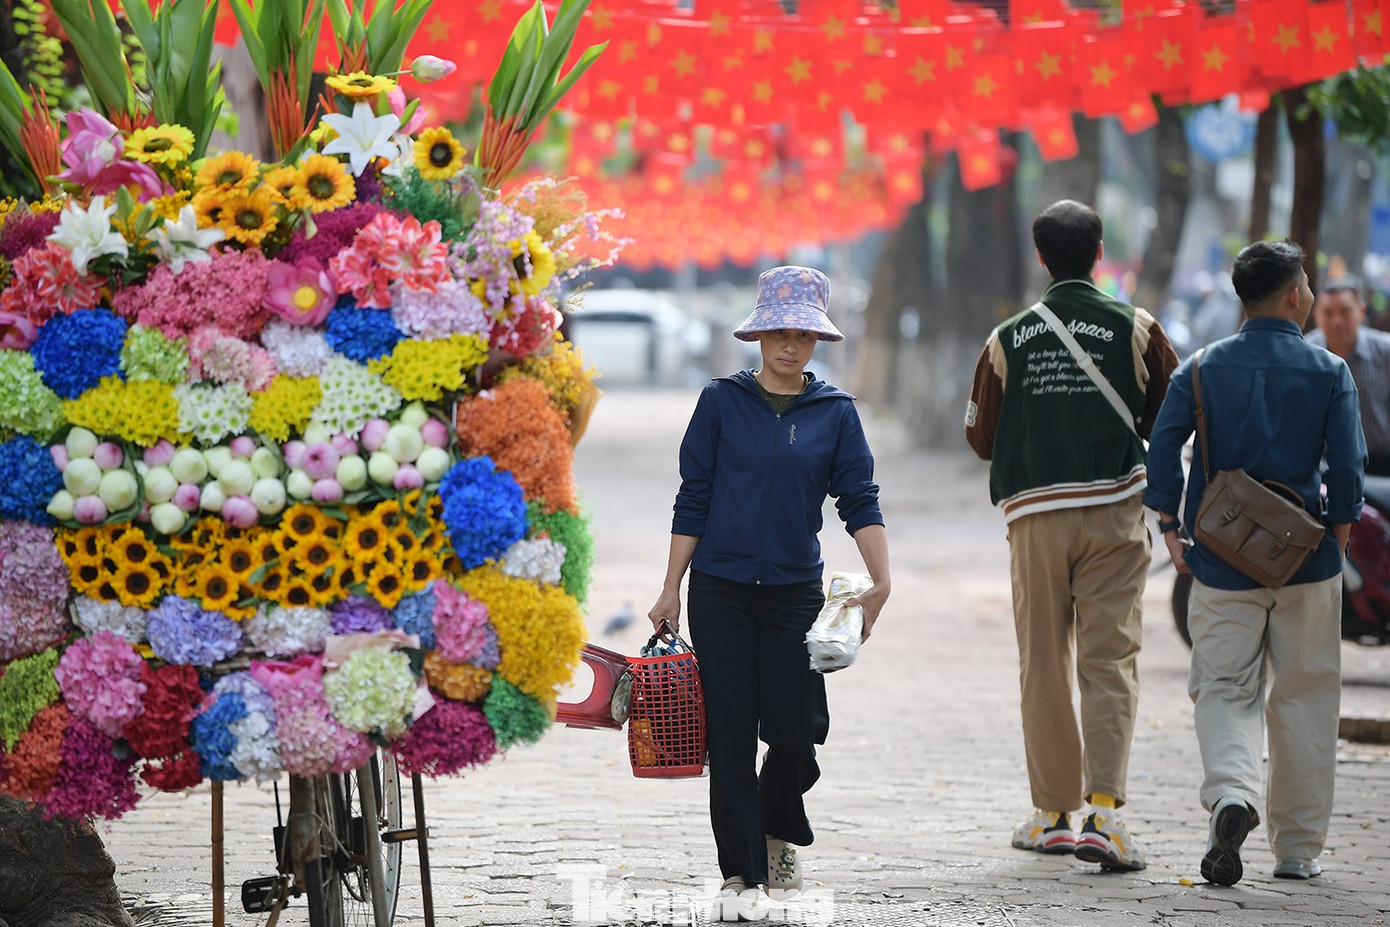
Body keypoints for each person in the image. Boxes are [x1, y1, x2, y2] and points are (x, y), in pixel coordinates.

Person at [648, 265, 890, 920]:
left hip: (793, 592)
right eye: (778, 332)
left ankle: (780, 826)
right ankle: (743, 874)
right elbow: (692, 497)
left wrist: (882, 577)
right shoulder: (721, 401)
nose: (789, 345)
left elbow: (859, 497)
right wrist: (671, 585)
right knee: (728, 736)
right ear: (759, 336)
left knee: (795, 731)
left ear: (817, 341)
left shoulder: (835, 413)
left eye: (802, 334)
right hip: (720, 590)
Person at [964, 200, 1178, 872]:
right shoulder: (1137, 327)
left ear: (1039, 256)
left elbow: (979, 436)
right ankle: (1106, 816)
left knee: (1043, 661)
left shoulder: (1006, 338)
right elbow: (1168, 420)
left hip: (1033, 518)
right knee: (1110, 658)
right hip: (1115, 512)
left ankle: (1053, 815)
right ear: (1100, 252)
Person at [1144, 240, 1364, 886]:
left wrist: (1168, 524)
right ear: (1297, 296)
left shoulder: (1204, 369)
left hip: (1219, 559)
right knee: (1305, 697)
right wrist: (1340, 537)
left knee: (1222, 687)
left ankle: (1233, 793)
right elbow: (1347, 468)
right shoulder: (1330, 372)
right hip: (1309, 561)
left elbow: (1162, 444)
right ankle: (1296, 848)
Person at [1305, 275, 1390, 475]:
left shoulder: (1385, 352)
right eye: (1328, 313)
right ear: (1316, 315)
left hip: (1381, 465)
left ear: (1361, 311)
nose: (1337, 322)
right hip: (1322, 468)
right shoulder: (1304, 356)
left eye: (1345, 312)